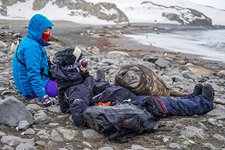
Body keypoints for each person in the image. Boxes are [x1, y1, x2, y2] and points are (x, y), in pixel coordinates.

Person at [50, 48, 214, 127]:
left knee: (163, 99)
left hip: (117, 95)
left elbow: (79, 97)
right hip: (122, 102)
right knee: (161, 104)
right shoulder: (77, 89)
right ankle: (203, 103)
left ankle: (192, 98)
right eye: (84, 63)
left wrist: (97, 82)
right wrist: (102, 105)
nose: (87, 66)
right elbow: (79, 116)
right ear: (73, 68)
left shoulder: (76, 80)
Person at [12, 14, 58, 107]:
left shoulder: (30, 40)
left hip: (36, 82)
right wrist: (42, 96)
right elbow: (33, 73)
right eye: (45, 30)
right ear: (37, 31)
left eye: (48, 30)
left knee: (64, 79)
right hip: (30, 89)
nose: (48, 33)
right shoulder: (32, 47)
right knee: (66, 87)